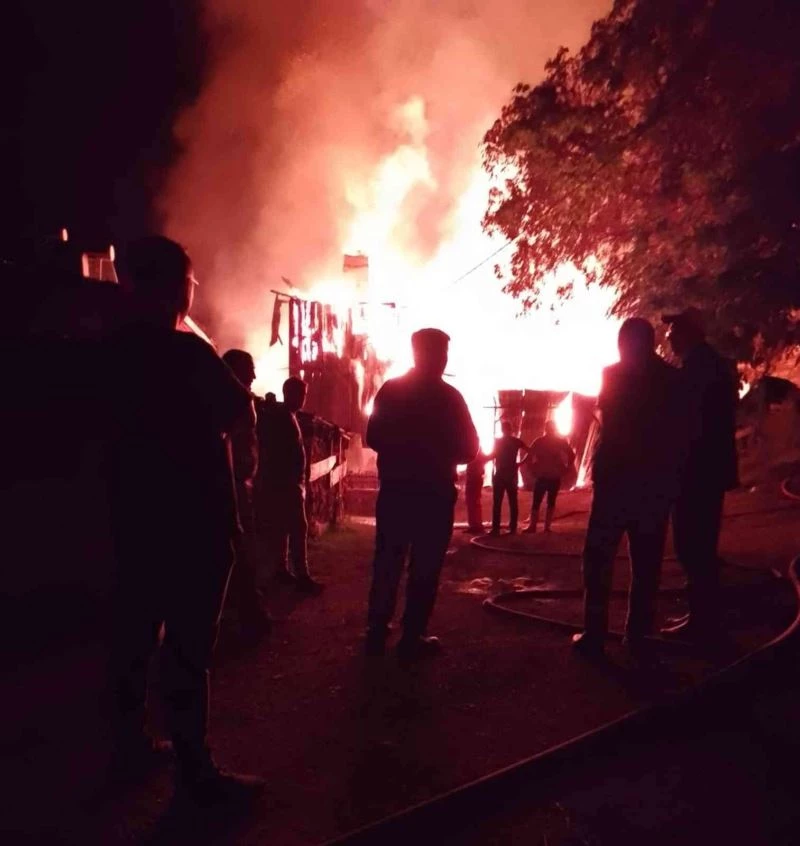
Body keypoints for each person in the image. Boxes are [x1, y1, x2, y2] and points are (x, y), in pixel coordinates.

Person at [107, 236, 263, 806]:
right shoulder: (188, 353)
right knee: (188, 650)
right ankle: (196, 773)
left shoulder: (108, 353)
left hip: (130, 522)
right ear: (178, 287)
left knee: (133, 641)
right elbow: (239, 412)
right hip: (194, 524)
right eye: (190, 283)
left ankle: (128, 749)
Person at [572, 318, 684, 662]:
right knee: (646, 562)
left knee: (598, 558)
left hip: (616, 481)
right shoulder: (671, 379)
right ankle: (638, 635)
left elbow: (611, 420)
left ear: (624, 343)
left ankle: (594, 634)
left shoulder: (613, 374)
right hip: (653, 483)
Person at [365, 328, 479, 660]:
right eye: (442, 353)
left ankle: (377, 628)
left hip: (396, 492)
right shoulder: (450, 398)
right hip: (434, 495)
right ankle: (412, 635)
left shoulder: (391, 391)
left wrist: (403, 449)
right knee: (425, 566)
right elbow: (470, 448)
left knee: (388, 560)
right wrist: (438, 451)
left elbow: (373, 436)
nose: (444, 359)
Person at [660, 307, 739, 640]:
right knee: (698, 545)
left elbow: (688, 422)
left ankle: (703, 623)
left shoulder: (699, 368)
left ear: (687, 334)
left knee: (694, 545)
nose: (668, 337)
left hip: (697, 472)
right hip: (705, 470)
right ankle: (702, 616)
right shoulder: (709, 364)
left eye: (672, 332)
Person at [221, 349, 271, 642]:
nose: (254, 375)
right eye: (249, 369)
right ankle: (249, 617)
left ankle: (250, 613)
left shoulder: (238, 402)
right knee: (240, 551)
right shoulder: (227, 403)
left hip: (240, 487)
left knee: (244, 551)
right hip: (231, 487)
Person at [256, 376, 323, 594]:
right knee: (298, 527)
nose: (304, 399)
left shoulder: (287, 416)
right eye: (301, 394)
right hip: (286, 484)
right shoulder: (282, 417)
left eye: (304, 395)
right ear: (290, 394)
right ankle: (302, 575)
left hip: (288, 482)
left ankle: (282, 569)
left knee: (285, 527)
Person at [525, 421, 575, 533]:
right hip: (554, 475)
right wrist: (567, 468)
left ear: (545, 429)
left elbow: (529, 456)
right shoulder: (559, 441)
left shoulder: (539, 441)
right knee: (551, 502)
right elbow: (571, 454)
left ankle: (533, 526)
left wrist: (533, 469)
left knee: (537, 501)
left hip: (543, 475)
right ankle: (547, 527)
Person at [489, 420, 528, 535]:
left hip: (500, 474)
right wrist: (520, 463)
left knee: (497, 502)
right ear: (510, 430)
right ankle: (513, 528)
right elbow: (530, 451)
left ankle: (495, 529)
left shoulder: (498, 442)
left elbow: (493, 455)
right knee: (513, 502)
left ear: (502, 430)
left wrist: (481, 459)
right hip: (511, 474)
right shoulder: (516, 441)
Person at [464, 451, 490, 533]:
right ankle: (475, 525)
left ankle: (476, 526)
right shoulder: (478, 454)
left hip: (474, 480)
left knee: (473, 502)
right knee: (472, 502)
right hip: (474, 479)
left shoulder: (475, 453)